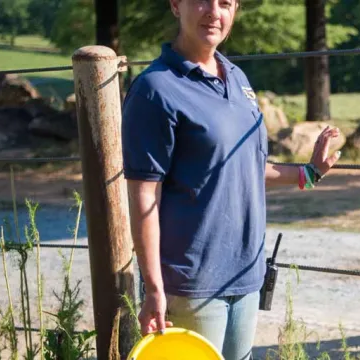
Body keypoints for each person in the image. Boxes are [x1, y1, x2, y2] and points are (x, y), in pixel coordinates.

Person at [120, 0, 342, 358]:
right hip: (193, 283)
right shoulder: (155, 90)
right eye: (202, 1)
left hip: (246, 273)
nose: (214, 11)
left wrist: (309, 173)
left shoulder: (237, 79)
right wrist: (154, 288)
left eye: (225, 3)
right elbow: (144, 195)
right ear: (176, 5)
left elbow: (245, 166)